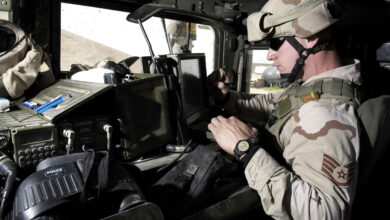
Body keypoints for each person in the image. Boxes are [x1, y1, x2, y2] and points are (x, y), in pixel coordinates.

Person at [207, 0, 361, 219]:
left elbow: (326, 213)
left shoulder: (323, 115)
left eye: (276, 42)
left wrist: (247, 151)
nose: (270, 55)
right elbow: (275, 106)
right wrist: (226, 99)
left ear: (309, 36)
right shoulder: (317, 86)